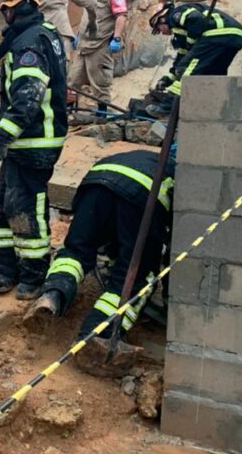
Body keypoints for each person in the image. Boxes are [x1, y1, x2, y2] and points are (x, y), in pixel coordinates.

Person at [31, 149, 174, 375]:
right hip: (139, 198)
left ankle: (53, 294)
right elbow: (171, 249)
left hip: (96, 183)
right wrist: (170, 295)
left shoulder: (141, 156)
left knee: (77, 250)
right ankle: (98, 336)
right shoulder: (180, 179)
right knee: (133, 277)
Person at [0, 0, 68, 300]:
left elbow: (28, 96)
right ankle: (7, 268)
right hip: (27, 141)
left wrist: (3, 134)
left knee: (26, 207)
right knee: (0, 204)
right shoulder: (39, 35)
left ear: (11, 11)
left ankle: (33, 275)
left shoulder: (29, 43)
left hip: (35, 142)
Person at [147, 0, 242, 116]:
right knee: (213, 74)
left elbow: (195, 18)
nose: (162, 33)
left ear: (162, 19)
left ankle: (167, 107)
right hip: (235, 37)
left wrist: (192, 43)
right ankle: (214, 109)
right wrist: (168, 78)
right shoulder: (181, 31)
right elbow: (183, 57)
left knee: (187, 72)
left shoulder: (175, 15)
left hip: (216, 35)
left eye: (158, 29)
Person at [71, 0, 127, 113]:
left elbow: (121, 16)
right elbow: (86, 17)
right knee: (72, 80)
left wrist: (117, 38)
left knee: (100, 83)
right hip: (83, 45)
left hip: (100, 45)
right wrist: (78, 35)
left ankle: (103, 115)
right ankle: (69, 112)